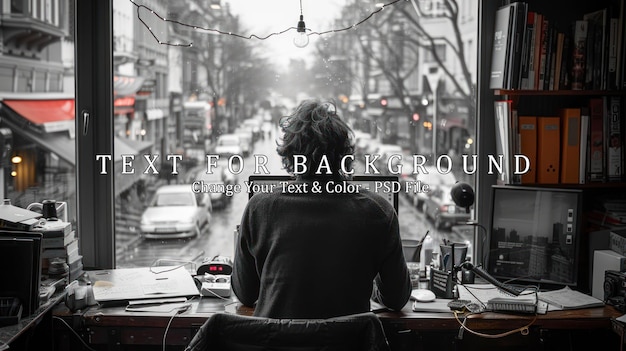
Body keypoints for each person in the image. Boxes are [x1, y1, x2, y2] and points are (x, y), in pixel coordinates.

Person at [231, 100, 411, 319]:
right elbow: (396, 298)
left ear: (291, 156)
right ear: (344, 156)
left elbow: (245, 294)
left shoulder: (259, 208)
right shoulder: (379, 212)